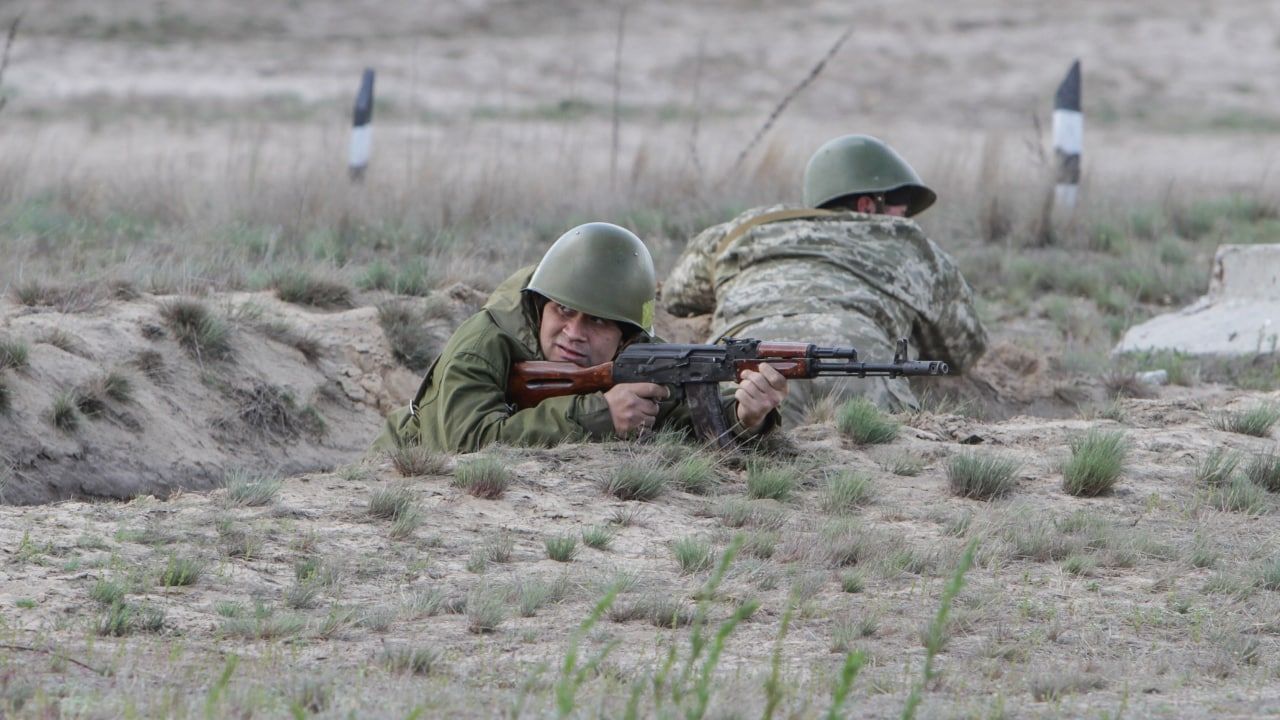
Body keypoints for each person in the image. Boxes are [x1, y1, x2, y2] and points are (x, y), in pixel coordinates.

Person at [373, 222, 787, 453]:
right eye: (564, 311)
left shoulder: (642, 358)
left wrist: (745, 417)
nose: (574, 333)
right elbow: (464, 444)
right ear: (541, 304)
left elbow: (683, 417)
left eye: (598, 322)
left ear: (627, 335)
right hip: (396, 471)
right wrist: (601, 415)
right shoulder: (484, 344)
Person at [663, 134, 987, 425]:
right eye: (901, 212)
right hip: (858, 368)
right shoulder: (908, 243)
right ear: (867, 205)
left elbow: (676, 296)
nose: (904, 222)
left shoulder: (742, 229)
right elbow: (963, 348)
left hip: (748, 373)